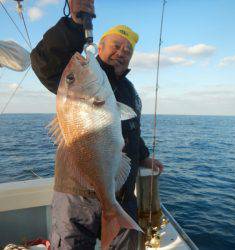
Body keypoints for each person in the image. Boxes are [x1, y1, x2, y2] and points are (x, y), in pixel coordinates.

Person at [30, 0, 164, 249]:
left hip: (120, 194)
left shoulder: (128, 89)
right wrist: (75, 23)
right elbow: (43, 61)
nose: (122, 51)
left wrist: (143, 156)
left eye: (128, 49)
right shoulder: (77, 76)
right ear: (99, 47)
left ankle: (112, 212)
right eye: (116, 45)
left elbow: (130, 131)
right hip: (75, 194)